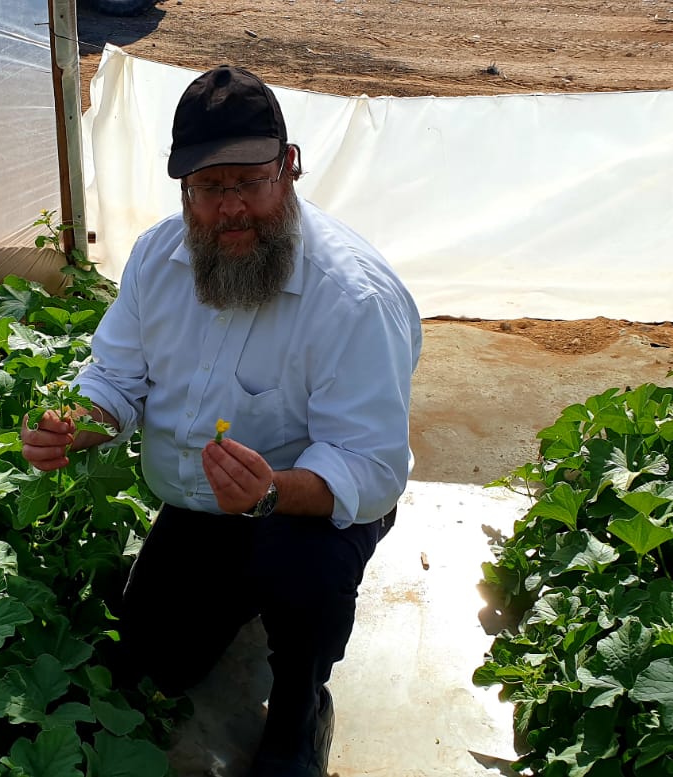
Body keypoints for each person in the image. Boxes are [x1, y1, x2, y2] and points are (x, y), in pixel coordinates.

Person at [22, 65, 421, 777]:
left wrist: (272, 493)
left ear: (289, 169)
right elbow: (116, 376)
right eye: (210, 187)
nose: (232, 207)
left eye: (251, 180)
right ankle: (230, 588)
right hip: (207, 505)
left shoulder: (350, 297)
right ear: (185, 190)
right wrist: (78, 422)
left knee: (299, 570)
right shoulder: (157, 260)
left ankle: (300, 704)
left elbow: (372, 466)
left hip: (310, 507)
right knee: (155, 662)